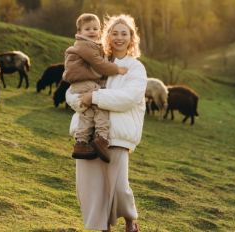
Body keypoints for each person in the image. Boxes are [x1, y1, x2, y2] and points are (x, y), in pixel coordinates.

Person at [66, 14, 147, 232]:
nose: (119, 38)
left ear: (132, 38)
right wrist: (81, 101)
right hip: (88, 134)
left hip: (118, 134)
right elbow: (72, 91)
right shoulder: (94, 60)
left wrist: (95, 97)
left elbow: (128, 98)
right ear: (107, 36)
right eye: (115, 33)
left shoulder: (135, 68)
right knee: (93, 188)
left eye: (124, 33)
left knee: (119, 187)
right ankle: (104, 229)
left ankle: (130, 222)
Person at [62, 13, 128, 163]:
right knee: (101, 104)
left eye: (95, 28)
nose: (91, 32)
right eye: (87, 29)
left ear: (100, 32)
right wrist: (117, 69)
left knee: (89, 111)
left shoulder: (89, 45)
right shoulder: (85, 45)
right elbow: (98, 63)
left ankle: (81, 143)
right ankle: (102, 138)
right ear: (79, 33)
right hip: (84, 81)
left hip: (80, 83)